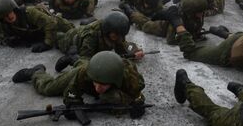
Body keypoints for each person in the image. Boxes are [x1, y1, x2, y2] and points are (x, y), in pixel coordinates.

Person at [12, 50, 147, 119]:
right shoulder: (86, 73)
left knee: (114, 98)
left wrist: (137, 107)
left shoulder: (131, 79)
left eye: (103, 85)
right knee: (49, 88)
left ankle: (75, 58)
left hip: (97, 73)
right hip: (86, 71)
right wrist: (74, 104)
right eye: (96, 83)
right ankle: (36, 72)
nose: (98, 88)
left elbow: (137, 98)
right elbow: (71, 91)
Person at [54, 13, 143, 72]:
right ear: (108, 30)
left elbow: (121, 51)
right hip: (70, 40)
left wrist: (133, 54)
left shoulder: (116, 33)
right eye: (116, 34)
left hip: (80, 32)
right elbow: (85, 59)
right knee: (57, 37)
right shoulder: (91, 35)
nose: (118, 38)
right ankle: (56, 19)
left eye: (120, 35)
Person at [0, 0, 73, 52]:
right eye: (4, 16)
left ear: (14, 10)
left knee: (67, 35)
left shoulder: (29, 12)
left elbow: (49, 23)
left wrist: (47, 44)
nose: (8, 17)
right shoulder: (4, 24)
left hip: (56, 24)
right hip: (38, 34)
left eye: (9, 13)